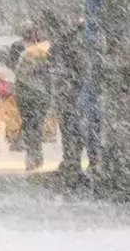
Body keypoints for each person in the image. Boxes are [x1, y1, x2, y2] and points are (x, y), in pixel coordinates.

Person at [48, 15, 87, 185]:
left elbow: (54, 64)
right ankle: (74, 162)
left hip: (69, 93)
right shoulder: (78, 42)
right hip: (76, 93)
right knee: (76, 129)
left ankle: (71, 161)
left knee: (70, 129)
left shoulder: (65, 41)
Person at [14, 20, 53, 171]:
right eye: (29, 31)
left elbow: (49, 70)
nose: (32, 34)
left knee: (36, 124)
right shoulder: (19, 48)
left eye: (34, 31)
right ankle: (32, 155)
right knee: (31, 124)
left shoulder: (46, 49)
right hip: (27, 93)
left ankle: (35, 154)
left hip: (39, 93)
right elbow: (15, 68)